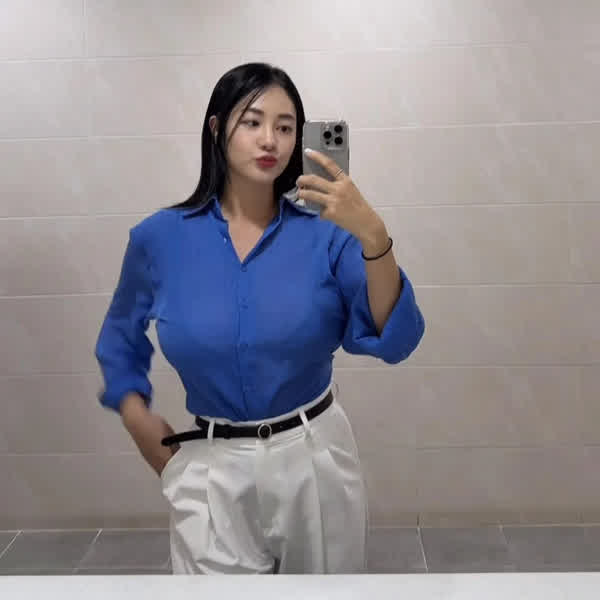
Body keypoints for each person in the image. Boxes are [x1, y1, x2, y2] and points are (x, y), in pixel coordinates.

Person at [94, 62, 425, 575]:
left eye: (286, 127)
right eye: (252, 122)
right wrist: (149, 436)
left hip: (313, 462)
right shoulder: (159, 239)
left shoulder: (327, 233)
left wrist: (373, 237)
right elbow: (118, 343)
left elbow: (393, 337)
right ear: (216, 128)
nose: (270, 139)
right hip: (209, 470)